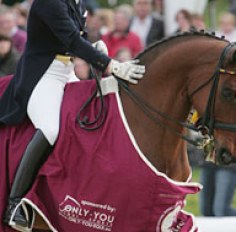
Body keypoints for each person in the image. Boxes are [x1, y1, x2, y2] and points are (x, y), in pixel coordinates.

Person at [0, 0, 145, 230]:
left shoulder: (76, 2)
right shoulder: (48, 2)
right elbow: (70, 40)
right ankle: (15, 203)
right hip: (43, 74)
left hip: (67, 71)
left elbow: (78, 38)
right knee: (50, 129)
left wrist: (95, 46)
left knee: (93, 117)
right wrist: (111, 65)